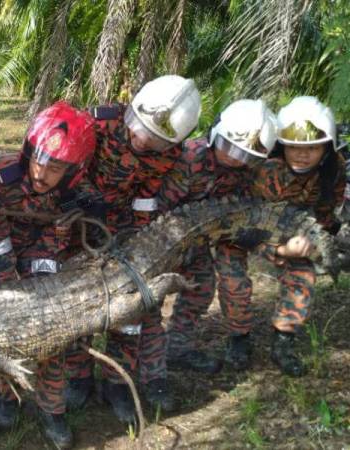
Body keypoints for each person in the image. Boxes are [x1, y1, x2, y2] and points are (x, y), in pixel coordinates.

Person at [0, 101, 96, 449]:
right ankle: (5, 396)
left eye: (56, 168)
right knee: (4, 326)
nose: (42, 173)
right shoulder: (2, 178)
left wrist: (87, 214)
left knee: (50, 330)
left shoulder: (73, 192)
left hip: (44, 257)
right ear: (28, 151)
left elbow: (67, 235)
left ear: (73, 171)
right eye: (38, 160)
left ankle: (51, 407)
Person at [64, 75, 201, 422]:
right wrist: (78, 202)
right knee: (76, 304)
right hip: (75, 225)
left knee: (133, 310)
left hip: (121, 230)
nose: (143, 141)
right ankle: (78, 376)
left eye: (154, 141)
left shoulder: (169, 153)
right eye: (141, 131)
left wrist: (137, 240)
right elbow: (64, 164)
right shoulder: (98, 121)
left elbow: (146, 194)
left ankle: (116, 384)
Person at [223, 96, 345, 376]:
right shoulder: (263, 167)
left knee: (303, 276)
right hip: (244, 228)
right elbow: (242, 219)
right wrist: (278, 250)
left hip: (296, 229)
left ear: (326, 148)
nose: (303, 155)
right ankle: (238, 339)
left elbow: (325, 213)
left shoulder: (332, 168)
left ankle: (283, 342)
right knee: (233, 280)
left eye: (313, 148)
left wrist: (314, 243)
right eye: (295, 147)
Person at [156, 99, 277, 376]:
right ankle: (142, 350)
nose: (234, 158)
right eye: (230, 148)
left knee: (213, 286)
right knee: (158, 292)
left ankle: (180, 347)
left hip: (216, 232)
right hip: (171, 232)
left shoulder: (251, 171)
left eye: (244, 155)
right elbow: (162, 205)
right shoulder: (189, 157)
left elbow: (252, 206)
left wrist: (249, 232)